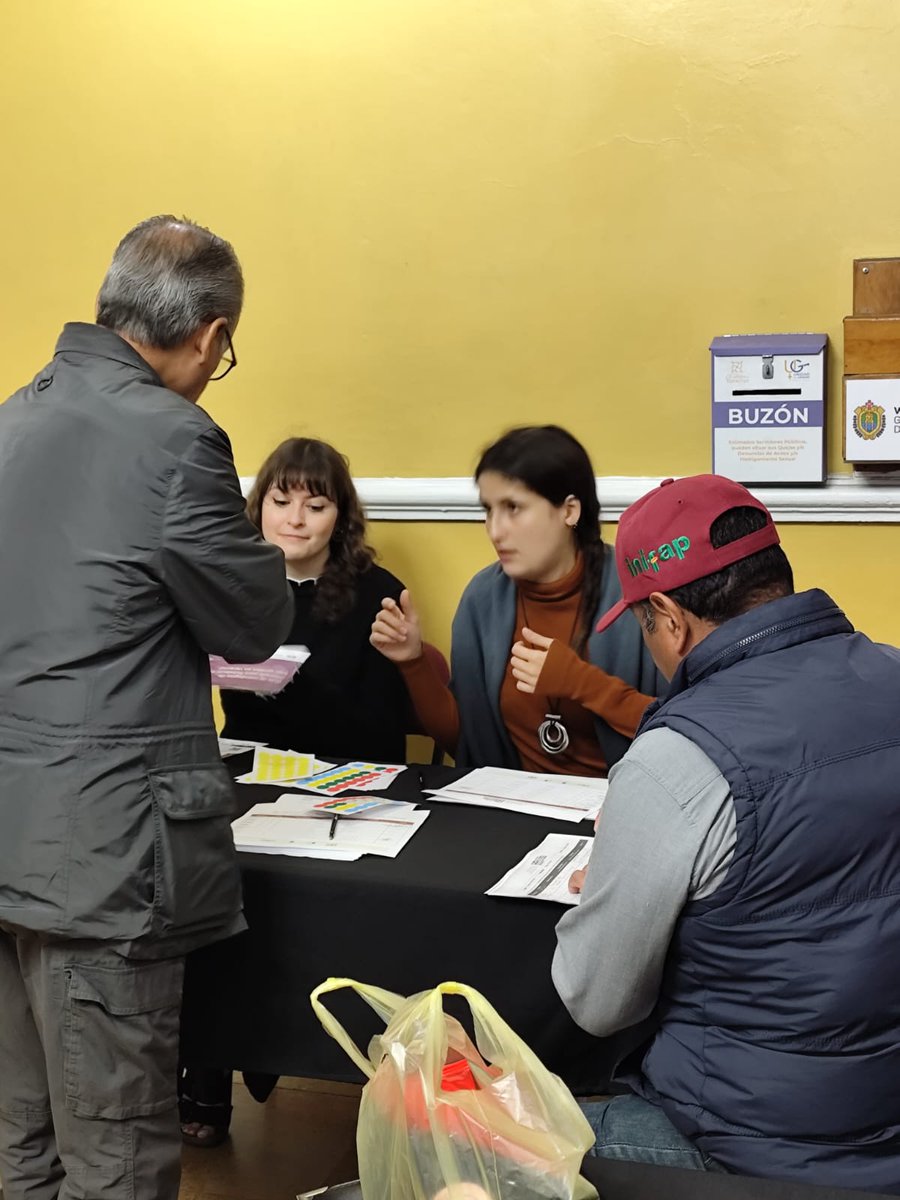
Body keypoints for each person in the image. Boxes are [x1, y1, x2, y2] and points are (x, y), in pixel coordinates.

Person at [0, 215, 294, 1200]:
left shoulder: (10, 419)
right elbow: (252, 622)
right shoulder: (175, 436)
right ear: (211, 337)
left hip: (9, 836)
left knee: (24, 1144)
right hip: (103, 856)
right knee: (116, 1156)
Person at [553, 474, 900, 1190]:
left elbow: (597, 1002)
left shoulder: (677, 758)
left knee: (473, 1131)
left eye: (644, 627)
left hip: (749, 1150)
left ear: (668, 617)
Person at [180, 435, 410, 1147]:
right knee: (208, 883)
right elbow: (231, 715)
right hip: (251, 777)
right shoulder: (235, 583)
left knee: (308, 910)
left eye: (316, 504)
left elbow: (384, 732)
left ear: (341, 516)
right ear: (258, 509)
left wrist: (294, 682)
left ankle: (288, 1053)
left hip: (348, 786)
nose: (296, 519)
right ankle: (208, 1073)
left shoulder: (375, 592)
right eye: (281, 501)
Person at [371, 425, 660, 774]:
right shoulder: (482, 598)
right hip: (510, 801)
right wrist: (413, 662)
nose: (495, 531)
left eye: (513, 508)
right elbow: (465, 742)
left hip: (625, 798)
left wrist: (582, 683)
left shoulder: (640, 594)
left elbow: (686, 733)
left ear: (569, 511)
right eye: (489, 510)